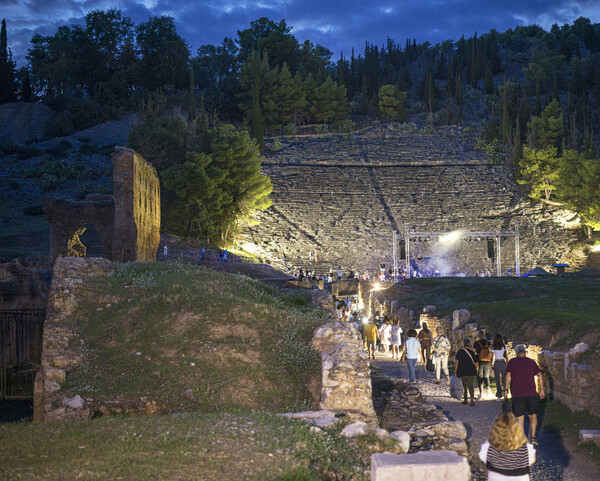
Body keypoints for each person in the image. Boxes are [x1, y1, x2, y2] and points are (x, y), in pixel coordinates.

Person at [505, 345, 545, 445]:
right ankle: (533, 437)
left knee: (520, 417)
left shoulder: (512, 362)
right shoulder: (531, 362)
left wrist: (505, 389)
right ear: (525, 352)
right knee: (533, 415)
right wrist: (542, 390)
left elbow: (507, 375)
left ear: (516, 353)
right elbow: (540, 374)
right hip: (531, 393)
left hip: (517, 393)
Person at [479, 412, 536, 480]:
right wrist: (522, 436)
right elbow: (532, 460)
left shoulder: (489, 447)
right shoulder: (525, 448)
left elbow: (483, 457)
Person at [455, 338, 478, 406]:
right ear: (470, 344)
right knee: (471, 385)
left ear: (463, 344)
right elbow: (476, 363)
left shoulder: (459, 352)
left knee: (464, 386)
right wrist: (476, 370)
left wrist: (455, 371)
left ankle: (465, 399)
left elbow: (456, 362)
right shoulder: (472, 353)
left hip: (462, 372)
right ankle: (472, 399)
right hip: (471, 371)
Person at [474, 330, 492, 399]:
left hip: (479, 361)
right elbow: (491, 350)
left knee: (480, 376)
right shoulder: (488, 342)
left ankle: (481, 393)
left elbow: (474, 352)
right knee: (486, 376)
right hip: (487, 361)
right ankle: (488, 388)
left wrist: (475, 358)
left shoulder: (476, 343)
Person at [491, 334, 508, 402]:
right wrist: (507, 363)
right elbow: (506, 356)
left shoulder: (493, 347)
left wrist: (491, 365)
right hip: (503, 363)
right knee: (504, 379)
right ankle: (506, 393)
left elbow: (493, 357)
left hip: (497, 363)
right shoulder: (504, 346)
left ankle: (498, 395)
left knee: (497, 379)